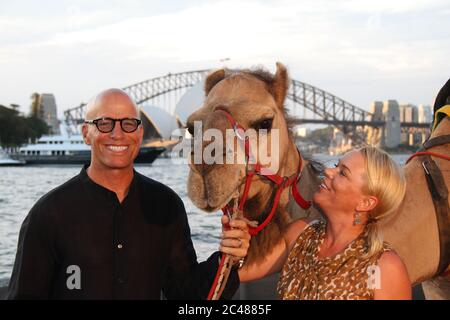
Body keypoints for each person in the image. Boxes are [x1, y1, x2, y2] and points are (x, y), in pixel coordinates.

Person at [7, 88, 250, 300]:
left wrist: (228, 257)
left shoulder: (165, 205)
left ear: (140, 133)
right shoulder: (49, 214)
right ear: (85, 134)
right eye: (104, 123)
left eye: (128, 123)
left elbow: (185, 293)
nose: (118, 133)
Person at [238, 146, 411, 300]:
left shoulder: (385, 267)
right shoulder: (300, 234)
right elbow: (236, 274)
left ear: (366, 203)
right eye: (336, 165)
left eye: (343, 172)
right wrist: (239, 245)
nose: (328, 171)